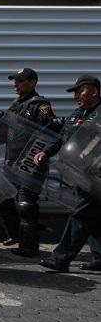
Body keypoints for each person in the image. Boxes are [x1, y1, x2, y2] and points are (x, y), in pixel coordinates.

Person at [0, 68, 57, 256]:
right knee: (2, 197)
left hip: (31, 162)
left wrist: (44, 153)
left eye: (20, 80)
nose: (15, 84)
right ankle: (16, 234)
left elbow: (52, 133)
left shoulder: (40, 106)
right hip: (11, 162)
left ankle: (29, 246)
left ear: (32, 83)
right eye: (14, 80)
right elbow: (4, 135)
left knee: (25, 203)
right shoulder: (16, 105)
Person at [40, 75, 101, 272]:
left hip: (97, 176)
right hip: (81, 174)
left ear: (93, 90)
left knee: (81, 214)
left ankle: (60, 259)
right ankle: (100, 258)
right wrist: (46, 152)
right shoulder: (77, 114)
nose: (75, 96)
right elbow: (62, 138)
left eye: (79, 91)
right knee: (94, 216)